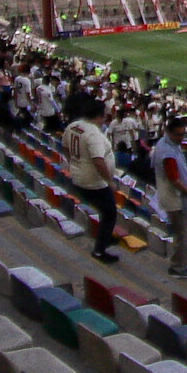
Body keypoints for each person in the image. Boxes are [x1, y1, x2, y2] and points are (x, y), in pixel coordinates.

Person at [61, 93, 121, 263]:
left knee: (105, 211)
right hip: (93, 182)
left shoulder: (74, 126)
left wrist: (74, 163)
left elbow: (65, 146)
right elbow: (98, 161)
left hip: (80, 176)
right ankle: (100, 251)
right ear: (99, 116)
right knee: (110, 213)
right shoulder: (93, 134)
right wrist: (109, 181)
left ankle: (105, 236)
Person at [150, 115, 187, 277]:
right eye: (178, 134)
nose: (181, 137)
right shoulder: (167, 151)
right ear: (169, 132)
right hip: (175, 199)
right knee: (183, 233)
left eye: (183, 134)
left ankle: (182, 260)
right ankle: (178, 267)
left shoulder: (167, 145)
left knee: (184, 232)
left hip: (175, 196)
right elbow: (174, 180)